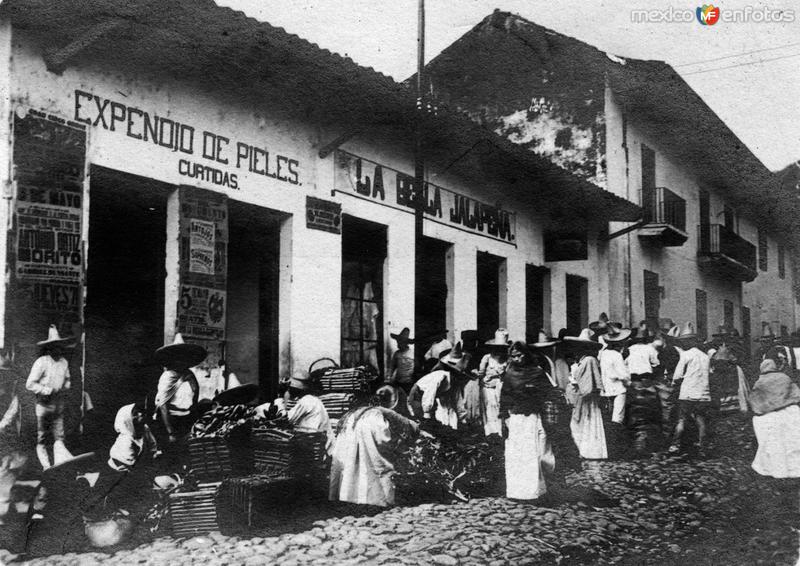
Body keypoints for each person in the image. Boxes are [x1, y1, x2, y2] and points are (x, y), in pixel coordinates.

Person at [329, 401, 420, 507]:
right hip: (371, 423)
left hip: (351, 424)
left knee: (352, 465)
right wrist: (395, 444)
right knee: (378, 464)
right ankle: (379, 501)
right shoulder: (388, 418)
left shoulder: (354, 412)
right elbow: (383, 439)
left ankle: (348, 496)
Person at [499, 342, 555, 501]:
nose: (517, 359)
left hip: (533, 418)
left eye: (520, 355)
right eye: (513, 356)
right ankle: (517, 492)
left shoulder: (537, 373)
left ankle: (534, 490)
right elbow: (505, 397)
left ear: (526, 354)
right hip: (516, 419)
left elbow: (549, 393)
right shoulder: (510, 374)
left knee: (535, 453)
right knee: (517, 455)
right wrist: (504, 418)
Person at [83, 403, 158, 519]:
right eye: (135, 414)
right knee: (104, 494)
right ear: (128, 420)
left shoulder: (144, 429)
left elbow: (153, 446)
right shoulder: (126, 440)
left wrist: (153, 455)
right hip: (117, 469)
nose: (140, 414)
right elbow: (130, 466)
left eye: (139, 412)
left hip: (131, 467)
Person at [26, 325, 75, 470]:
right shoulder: (42, 362)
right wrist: (47, 390)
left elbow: (67, 379)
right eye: (55, 346)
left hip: (58, 404)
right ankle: (46, 466)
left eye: (60, 346)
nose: (58, 349)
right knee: (42, 437)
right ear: (50, 347)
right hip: (43, 405)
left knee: (59, 436)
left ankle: (61, 464)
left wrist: (65, 387)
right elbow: (29, 384)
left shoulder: (64, 362)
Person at [749, 359, 800, 478]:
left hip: (770, 414)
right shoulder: (784, 377)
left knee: (775, 443)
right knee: (792, 442)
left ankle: (776, 468)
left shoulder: (760, 382)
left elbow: (755, 400)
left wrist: (764, 408)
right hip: (788, 411)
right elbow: (796, 393)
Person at [154, 334, 205, 445]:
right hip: (170, 420)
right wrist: (170, 432)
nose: (182, 360)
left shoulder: (190, 375)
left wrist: (194, 418)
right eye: (179, 357)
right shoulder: (168, 376)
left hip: (186, 419)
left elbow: (195, 395)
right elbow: (163, 405)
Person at [669, 323, 712, 454]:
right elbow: (710, 372)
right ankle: (702, 447)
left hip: (687, 393)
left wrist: (673, 383)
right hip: (703, 393)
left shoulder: (685, 355)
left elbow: (677, 375)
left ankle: (675, 445)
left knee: (682, 419)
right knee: (701, 420)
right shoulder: (705, 357)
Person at [565, 329, 607, 460]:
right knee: (580, 423)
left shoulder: (589, 360)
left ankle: (591, 451)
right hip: (580, 396)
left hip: (587, 397)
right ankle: (582, 449)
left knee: (587, 421)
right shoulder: (581, 361)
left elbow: (592, 381)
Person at [408, 344, 467, 429]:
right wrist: (426, 413)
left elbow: (458, 400)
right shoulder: (441, 376)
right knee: (423, 422)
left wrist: (462, 419)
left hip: (430, 398)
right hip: (418, 394)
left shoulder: (455, 382)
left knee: (437, 422)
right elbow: (430, 392)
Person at [0, 352, 25, 524]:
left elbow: (13, 412)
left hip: (8, 438)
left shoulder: (14, 393)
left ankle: (5, 511)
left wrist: (2, 425)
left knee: (8, 471)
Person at [474, 329, 510, 436]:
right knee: (490, 409)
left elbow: (508, 374)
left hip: (501, 387)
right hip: (488, 388)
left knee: (502, 409)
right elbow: (481, 373)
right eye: (497, 347)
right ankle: (491, 433)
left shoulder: (507, 360)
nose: (499, 350)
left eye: (502, 347)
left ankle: (502, 432)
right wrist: (482, 377)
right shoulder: (487, 358)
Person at [387, 328, 416, 393]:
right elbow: (392, 367)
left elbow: (417, 369)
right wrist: (389, 379)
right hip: (398, 382)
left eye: (400, 342)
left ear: (406, 343)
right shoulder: (396, 354)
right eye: (398, 341)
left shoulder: (412, 354)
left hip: (409, 383)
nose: (398, 344)